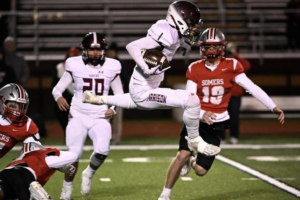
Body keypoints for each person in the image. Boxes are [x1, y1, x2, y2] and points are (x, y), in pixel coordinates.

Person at [157, 27, 285, 200]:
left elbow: (252, 87)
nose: (211, 50)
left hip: (218, 122)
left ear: (222, 47)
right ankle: (165, 195)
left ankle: (192, 161)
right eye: (208, 46)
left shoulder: (232, 65)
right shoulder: (195, 68)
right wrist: (201, 113)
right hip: (196, 120)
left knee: (201, 171)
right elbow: (189, 98)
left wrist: (272, 106)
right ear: (202, 47)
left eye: (215, 46)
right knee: (182, 154)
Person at [82, 1, 221, 156]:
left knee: (135, 101)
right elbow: (132, 46)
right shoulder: (165, 33)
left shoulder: (173, 31)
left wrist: (184, 43)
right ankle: (194, 140)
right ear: (179, 20)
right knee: (191, 100)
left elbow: (182, 41)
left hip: (143, 88)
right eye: (191, 24)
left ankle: (98, 99)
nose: (193, 28)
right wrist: (145, 67)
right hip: (143, 88)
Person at [52, 32, 124, 200]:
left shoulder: (112, 66)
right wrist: (59, 97)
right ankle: (67, 188)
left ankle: (89, 172)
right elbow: (57, 89)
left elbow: (119, 94)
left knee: (103, 150)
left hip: (100, 116)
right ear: (84, 50)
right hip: (78, 115)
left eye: (99, 50)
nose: (95, 53)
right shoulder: (73, 64)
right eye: (92, 50)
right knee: (73, 155)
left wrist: (113, 109)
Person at [0, 142, 77, 200]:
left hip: (4, 173)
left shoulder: (18, 160)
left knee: (5, 192)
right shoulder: (43, 159)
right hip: (24, 175)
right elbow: (73, 156)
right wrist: (59, 166)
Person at [0, 83, 42, 159]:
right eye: (12, 106)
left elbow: (37, 153)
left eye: (20, 107)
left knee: (33, 154)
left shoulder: (25, 125)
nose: (17, 111)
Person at [221, 42, 251, 144]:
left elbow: (247, 66)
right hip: (222, 95)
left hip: (235, 95)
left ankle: (234, 136)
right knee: (221, 117)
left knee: (234, 117)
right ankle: (222, 137)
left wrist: (236, 56)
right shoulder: (223, 61)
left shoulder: (238, 62)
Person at [51, 47, 79, 138]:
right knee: (60, 113)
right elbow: (54, 85)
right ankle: (67, 132)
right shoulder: (60, 68)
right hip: (64, 97)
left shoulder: (82, 69)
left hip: (76, 97)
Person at [106, 42, 130, 145]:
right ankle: (105, 137)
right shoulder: (105, 63)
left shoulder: (120, 64)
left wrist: (125, 94)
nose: (110, 53)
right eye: (109, 51)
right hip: (106, 95)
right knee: (104, 117)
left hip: (118, 95)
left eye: (112, 51)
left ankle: (116, 137)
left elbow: (126, 79)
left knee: (117, 118)